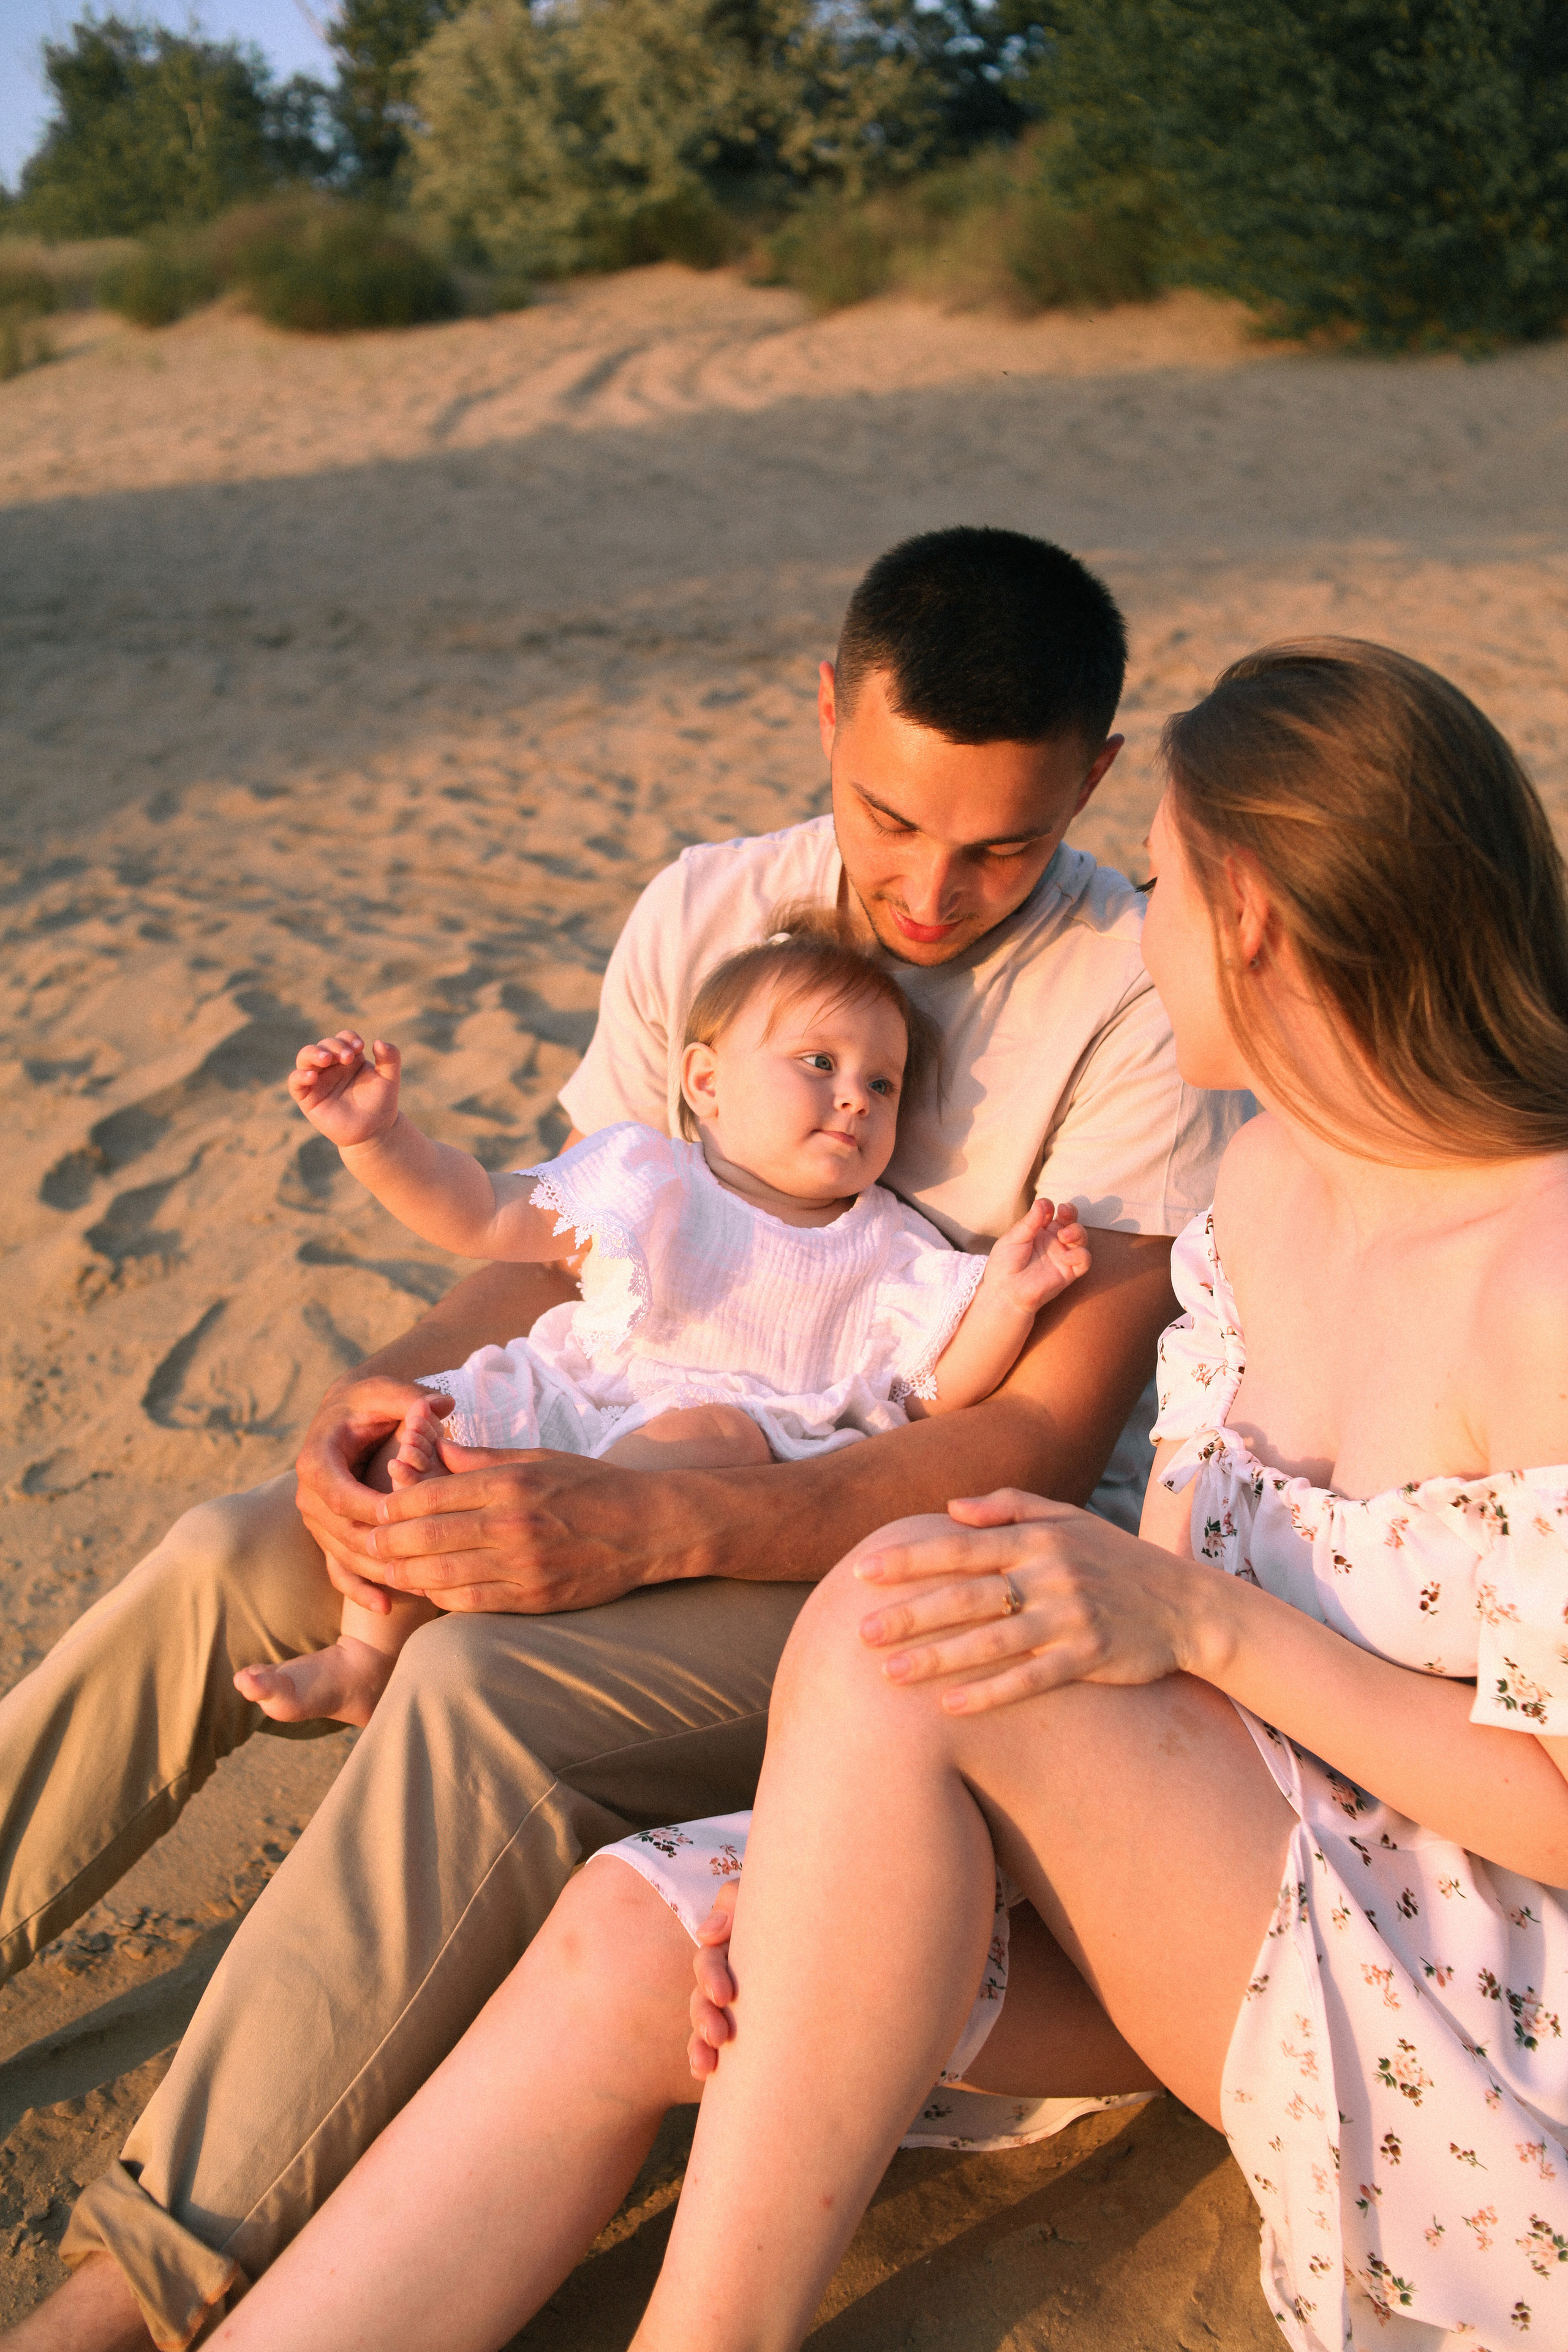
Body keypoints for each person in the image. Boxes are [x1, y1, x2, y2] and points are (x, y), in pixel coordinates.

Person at [190, 638, 1568, 2352]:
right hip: (1217, 1858)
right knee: (648, 1927)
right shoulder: (1262, 1187)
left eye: (1157, 880)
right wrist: (854, 1839)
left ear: (1256, 921)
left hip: (1478, 1987)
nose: (1136, 924)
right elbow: (1136, 1610)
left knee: (906, 1608)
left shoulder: (1546, 1270)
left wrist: (1201, 1625)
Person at [2, 527, 1244, 2351]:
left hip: (905, 1549)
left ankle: (141, 2281)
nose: (929, 889)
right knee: (229, 1564)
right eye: (888, 817)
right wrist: (396, 1392)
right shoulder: (704, 912)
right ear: (826, 712)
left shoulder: (1136, 993)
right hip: (617, 1433)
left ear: (1094, 786)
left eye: (1003, 842)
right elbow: (569, 1257)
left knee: (483, 1699)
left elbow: (1049, 1435)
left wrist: (650, 1529)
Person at [239, 920, 1092, 1724]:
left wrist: (1011, 1299)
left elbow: (933, 1389)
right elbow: (483, 1213)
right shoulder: (645, 1177)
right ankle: (366, 1656)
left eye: (882, 1083)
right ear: (707, 1082)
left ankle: (523, 1588)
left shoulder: (886, 1245)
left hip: (694, 1469)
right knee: (419, 1429)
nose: (856, 1099)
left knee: (710, 1429)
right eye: (819, 1062)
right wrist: (381, 1142)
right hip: (574, 1401)